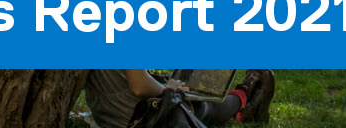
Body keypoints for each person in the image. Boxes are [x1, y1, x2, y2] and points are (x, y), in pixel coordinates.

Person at [85, 69, 275, 128]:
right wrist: (167, 90)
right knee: (196, 105)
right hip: (133, 112)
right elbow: (139, 86)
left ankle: (243, 98)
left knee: (194, 100)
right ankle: (243, 97)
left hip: (108, 107)